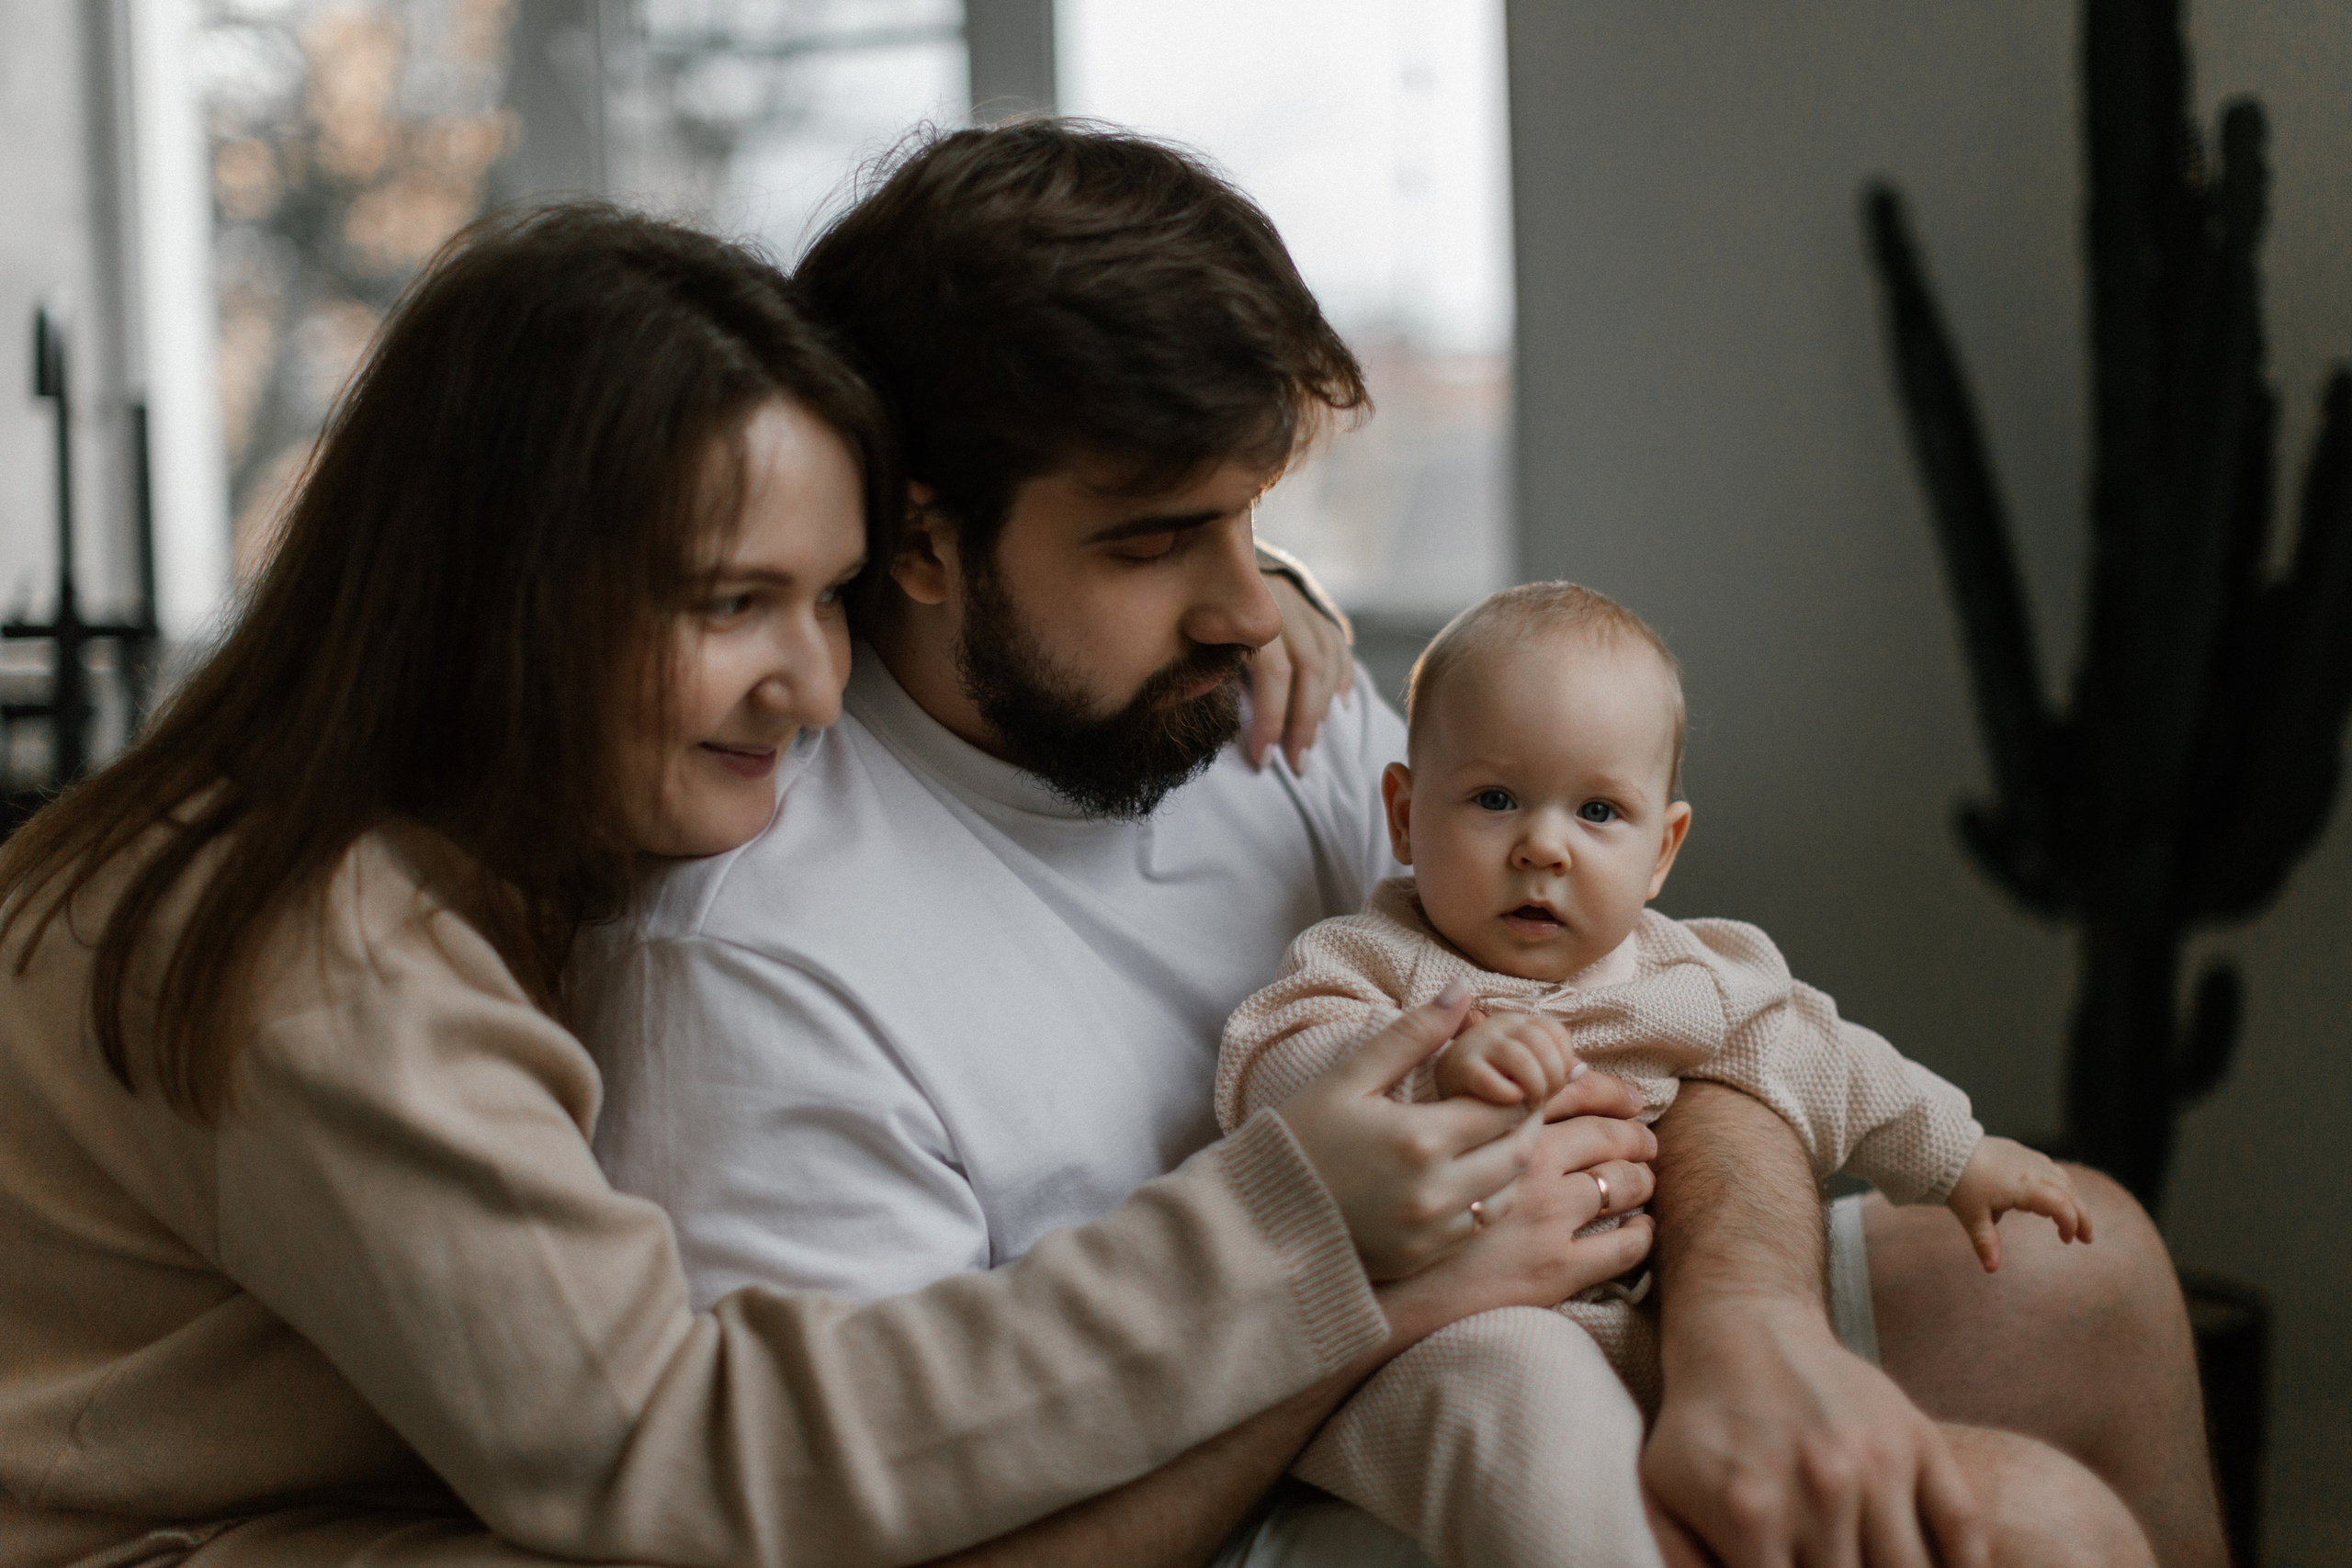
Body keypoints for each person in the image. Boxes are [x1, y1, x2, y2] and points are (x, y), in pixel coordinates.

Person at [582, 120, 2226, 1566]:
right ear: (922, 540)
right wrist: (1367, 1306)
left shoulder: (1253, 703)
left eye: (1254, 517)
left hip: (1552, 1305)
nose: (1247, 602)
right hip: (1255, 1486)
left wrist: (1749, 1322)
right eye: (1156, 540)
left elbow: (1658, 996)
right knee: (2035, 1532)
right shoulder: (753, 967)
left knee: (2088, 1269)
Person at [0, 205, 1645, 1568]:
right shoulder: (328, 951)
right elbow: (675, 1456)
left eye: (831, 596)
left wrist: (1224, 589)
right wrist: (1313, 1253)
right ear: (506, 597)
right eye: (732, 601)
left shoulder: (463, 826)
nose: (809, 685)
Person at [1219, 581, 2132, 1568]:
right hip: (1421, 1358)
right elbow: (1270, 1063)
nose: (1542, 846)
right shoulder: (1373, 961)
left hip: (1633, 1335)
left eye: (1598, 811)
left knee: (1700, 1429)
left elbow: (1824, 1057)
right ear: (1403, 816)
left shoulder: (1685, 979)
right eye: (1494, 799)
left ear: (1662, 850)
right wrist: (1434, 1069)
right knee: (1523, 1390)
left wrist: (1958, 1155)